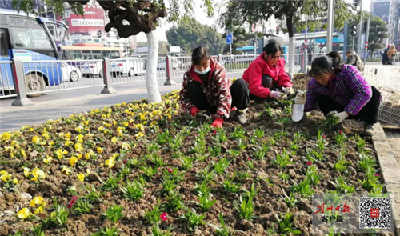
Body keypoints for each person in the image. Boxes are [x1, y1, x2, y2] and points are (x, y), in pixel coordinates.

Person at [295, 55, 381, 135]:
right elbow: (310, 104)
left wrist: (346, 113)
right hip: (339, 109)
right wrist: (299, 104)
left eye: (322, 77)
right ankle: (335, 123)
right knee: (320, 97)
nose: (319, 81)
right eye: (316, 78)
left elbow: (364, 92)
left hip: (359, 106)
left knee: (373, 93)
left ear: (331, 71)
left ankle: (369, 124)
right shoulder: (314, 84)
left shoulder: (347, 72)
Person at [179, 46, 249, 126]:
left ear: (209, 59)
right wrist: (191, 107)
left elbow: (224, 93)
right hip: (207, 105)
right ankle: (204, 114)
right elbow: (183, 96)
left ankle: (240, 112)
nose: (201, 69)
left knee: (241, 83)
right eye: (198, 66)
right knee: (191, 86)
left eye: (204, 65)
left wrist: (220, 117)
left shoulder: (218, 69)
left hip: (222, 102)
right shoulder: (189, 75)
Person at [239, 40, 293, 106]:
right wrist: (271, 93)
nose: (276, 60)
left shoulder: (279, 62)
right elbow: (254, 87)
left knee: (287, 75)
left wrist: (288, 86)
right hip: (254, 92)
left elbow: (282, 75)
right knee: (267, 79)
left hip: (269, 89)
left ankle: (277, 99)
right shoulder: (257, 64)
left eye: (278, 57)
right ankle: (260, 101)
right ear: (265, 55)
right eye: (273, 57)